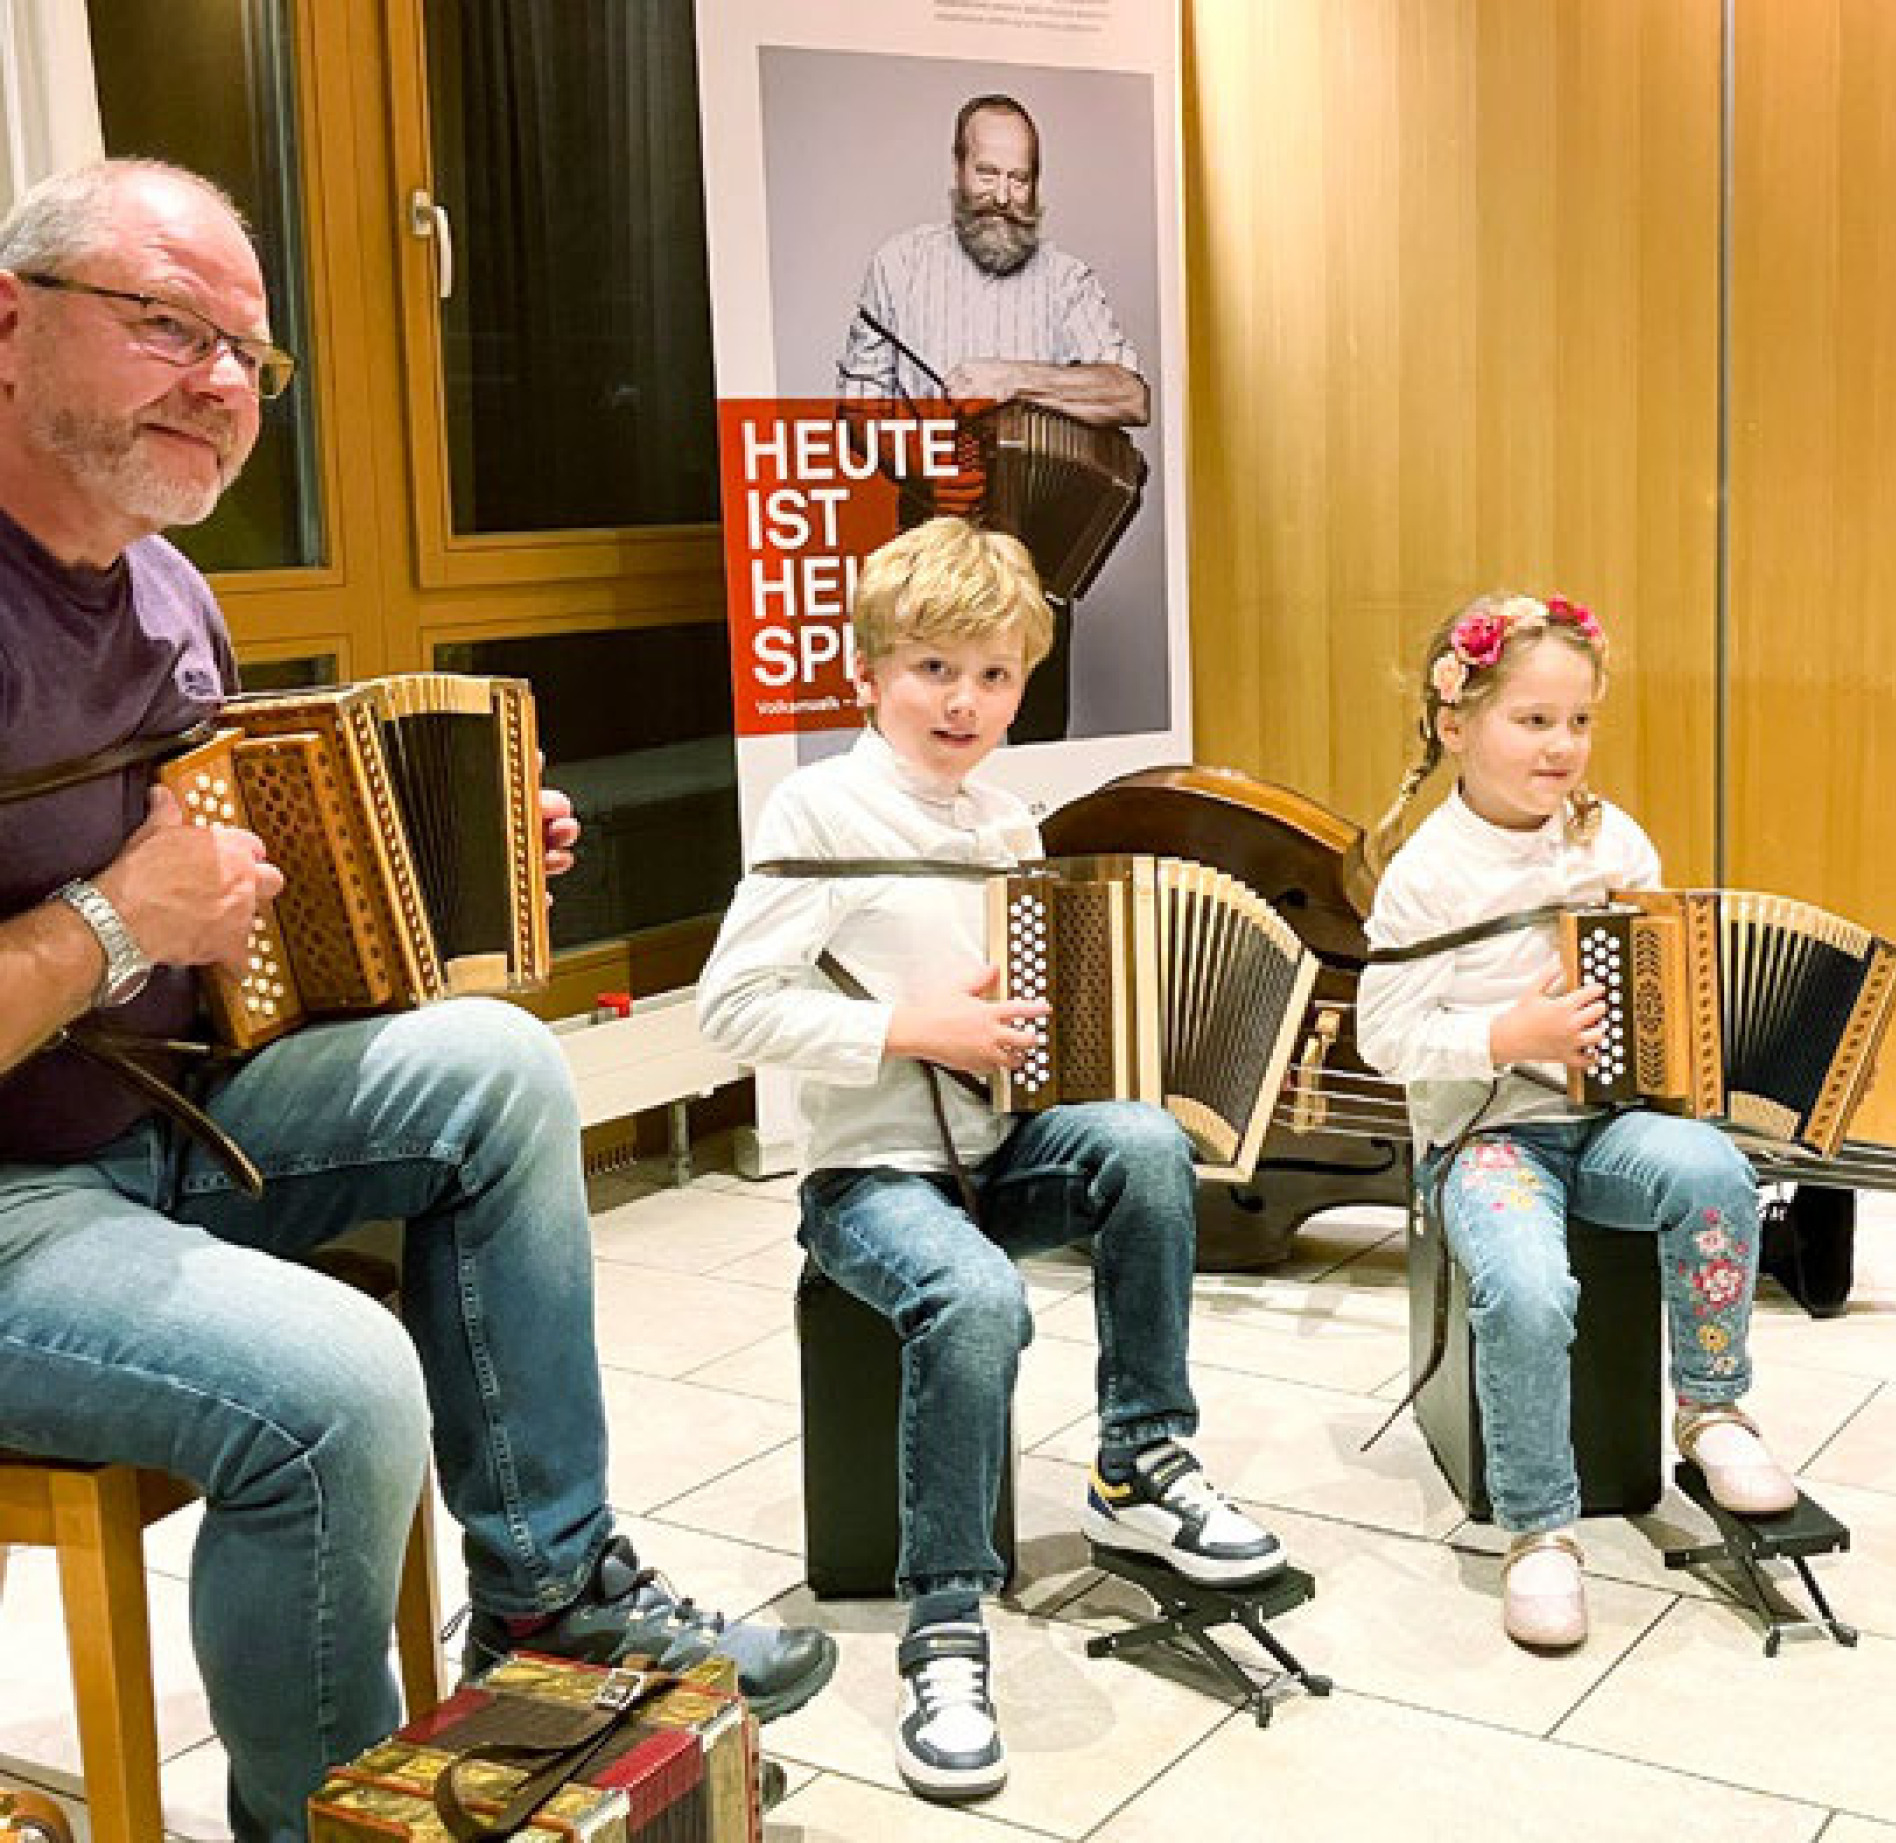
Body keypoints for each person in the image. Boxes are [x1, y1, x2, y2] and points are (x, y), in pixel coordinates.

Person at [0, 158, 834, 1842]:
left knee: (495, 1067)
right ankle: (327, 1825)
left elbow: (227, 916)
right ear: (10, 323)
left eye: (249, 353)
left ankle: (546, 1591)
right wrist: (107, 920)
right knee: (334, 1385)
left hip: (155, 1118)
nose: (223, 384)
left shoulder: (171, 591)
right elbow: (132, 903)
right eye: (168, 324)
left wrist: (434, 858)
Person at [697, 516, 1283, 1803]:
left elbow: (1021, 1020)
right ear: (869, 674)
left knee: (1140, 1140)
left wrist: (1065, 1035)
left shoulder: (1010, 825)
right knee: (976, 1295)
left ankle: (1141, 1460)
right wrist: (909, 1026)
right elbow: (729, 1009)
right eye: (932, 669)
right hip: (870, 1179)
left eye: (995, 675)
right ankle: (946, 1620)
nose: (964, 702)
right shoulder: (819, 807)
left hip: (998, 1148)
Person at [1355, 591, 1799, 1651]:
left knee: (1714, 1173)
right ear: (1454, 724)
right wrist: (1506, 1034)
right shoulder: (1426, 874)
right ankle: (1540, 1526)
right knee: (1525, 1284)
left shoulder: (1615, 840)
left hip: (1605, 1124)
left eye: (1580, 721)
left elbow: (1659, 979)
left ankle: (1712, 1407)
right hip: (1488, 1138)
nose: (1562, 746)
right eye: (1533, 720)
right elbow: (1383, 1036)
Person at [837, 93, 1150, 744]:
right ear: (957, 169)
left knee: (1036, 741)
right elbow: (858, 405)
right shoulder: (898, 266)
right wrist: (923, 465)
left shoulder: (1067, 281)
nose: (1003, 195)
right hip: (927, 543)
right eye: (987, 173)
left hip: (1040, 558)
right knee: (923, 737)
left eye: (1019, 177)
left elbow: (1131, 396)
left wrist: (1013, 376)